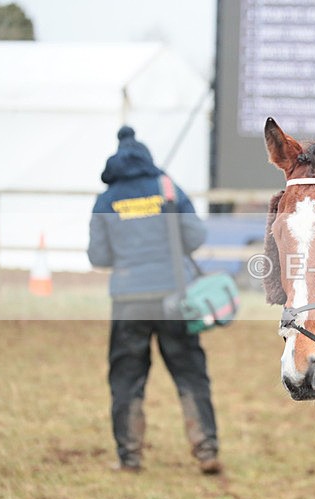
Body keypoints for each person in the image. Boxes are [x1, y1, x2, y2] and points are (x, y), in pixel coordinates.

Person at [87, 125, 221, 474]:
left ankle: (129, 457)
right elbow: (195, 236)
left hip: (128, 300)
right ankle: (206, 449)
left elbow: (98, 257)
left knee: (126, 378)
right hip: (173, 297)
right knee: (190, 374)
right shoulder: (167, 188)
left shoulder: (106, 199)